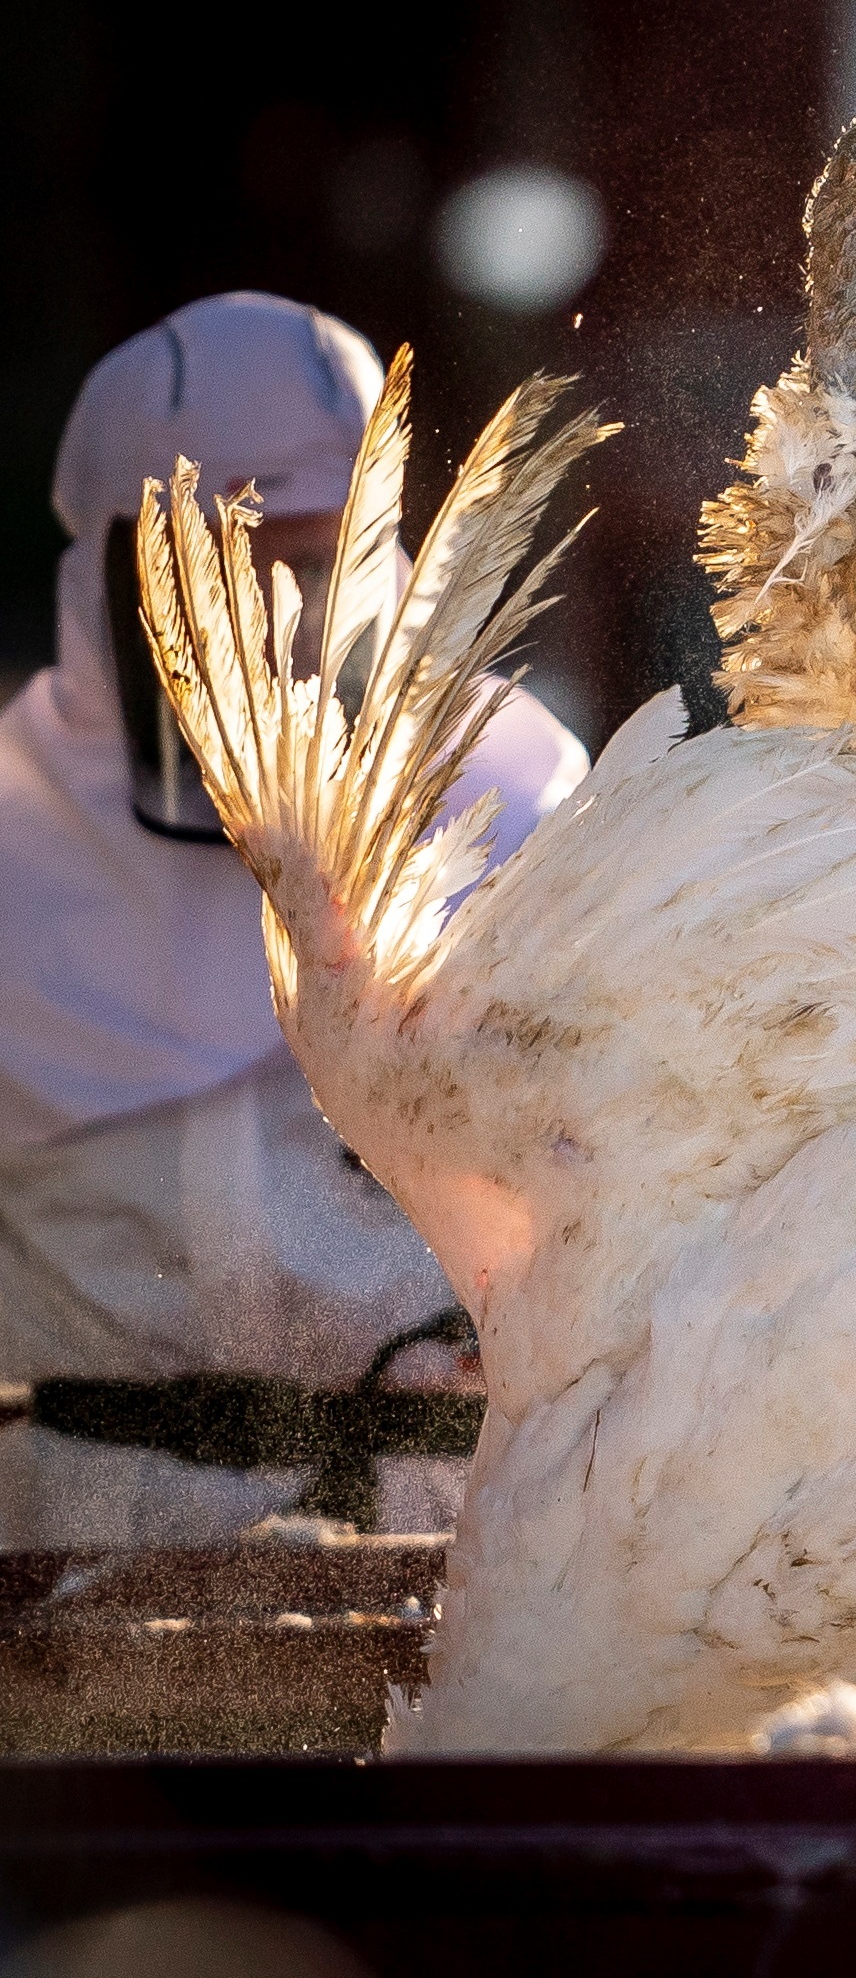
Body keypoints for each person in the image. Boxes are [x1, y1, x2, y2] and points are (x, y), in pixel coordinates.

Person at [0, 293, 587, 1547]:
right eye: (227, 575)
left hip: (456, 1549)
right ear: (113, 576)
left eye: (327, 566)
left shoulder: (520, 811)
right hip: (84, 1551)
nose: (287, 625)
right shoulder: (11, 852)